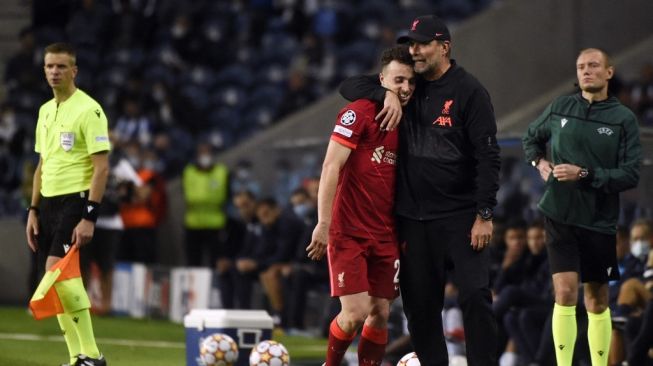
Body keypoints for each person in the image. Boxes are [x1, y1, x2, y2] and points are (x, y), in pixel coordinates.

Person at [339, 15, 501, 366]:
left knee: (475, 295)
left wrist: (484, 214)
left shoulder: (470, 91)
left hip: (460, 217)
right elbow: (349, 86)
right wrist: (386, 93)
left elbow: (488, 156)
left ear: (444, 47)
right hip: (413, 219)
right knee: (422, 309)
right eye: (411, 43)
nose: (414, 50)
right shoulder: (407, 84)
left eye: (422, 43)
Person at [522, 47, 642, 366]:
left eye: (593, 65)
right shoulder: (561, 106)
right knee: (564, 292)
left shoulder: (623, 119)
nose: (586, 71)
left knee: (597, 300)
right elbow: (530, 138)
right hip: (559, 213)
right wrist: (539, 162)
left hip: (598, 221)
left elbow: (630, 174)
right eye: (580, 67)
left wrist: (585, 174)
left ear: (609, 73)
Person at [306, 45, 416, 366]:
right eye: (398, 81)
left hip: (386, 234)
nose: (405, 88)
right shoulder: (359, 112)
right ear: (382, 79)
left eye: (410, 82)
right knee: (354, 313)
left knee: (380, 313)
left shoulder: (411, 122)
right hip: (348, 230)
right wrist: (323, 223)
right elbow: (330, 167)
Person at [25, 43, 110, 366]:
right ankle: (79, 358)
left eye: (61, 67)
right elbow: (42, 165)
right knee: (60, 279)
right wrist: (32, 210)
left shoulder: (89, 110)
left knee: (55, 273)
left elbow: (101, 168)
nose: (54, 72)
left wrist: (90, 216)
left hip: (76, 200)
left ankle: (91, 354)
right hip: (48, 202)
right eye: (49, 66)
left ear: (74, 71)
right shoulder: (46, 110)